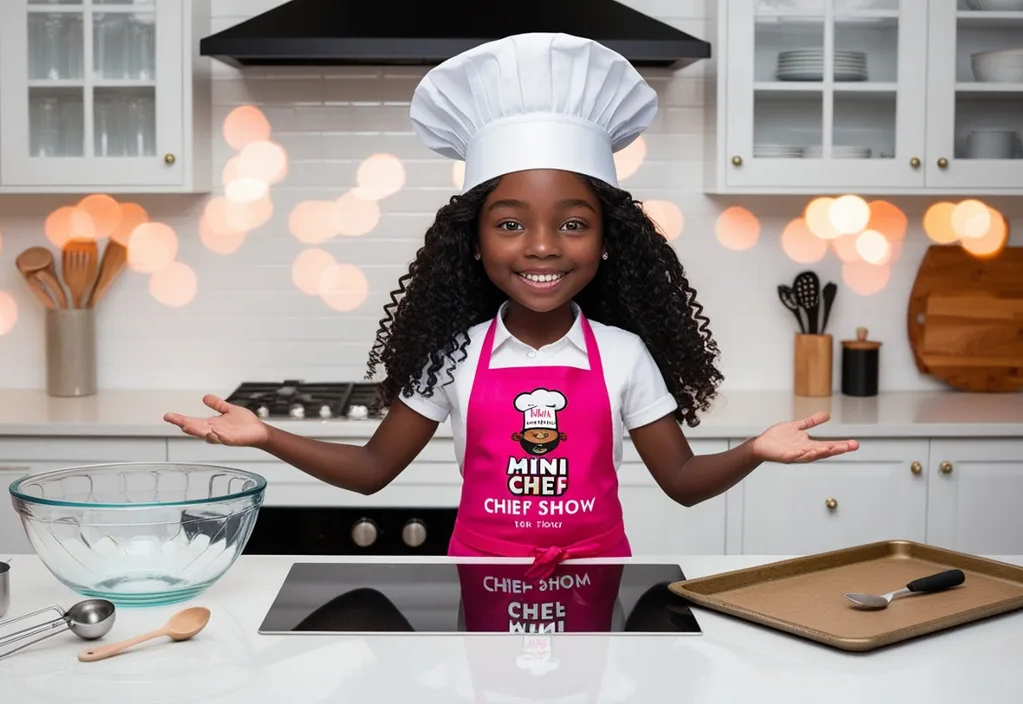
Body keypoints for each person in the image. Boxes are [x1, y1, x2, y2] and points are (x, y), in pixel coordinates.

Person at [164, 32, 859, 579]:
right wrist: (269, 437)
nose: (543, 246)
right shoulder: (453, 354)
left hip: (598, 582)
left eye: (573, 223)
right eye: (510, 223)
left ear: (609, 241)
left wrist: (755, 450)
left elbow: (680, 481)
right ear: (473, 241)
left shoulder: (623, 354)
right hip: (476, 580)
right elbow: (373, 473)